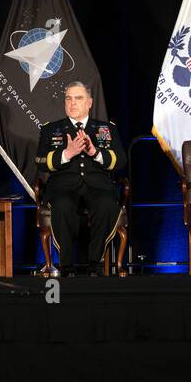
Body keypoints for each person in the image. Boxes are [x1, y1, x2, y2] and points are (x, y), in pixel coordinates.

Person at [35, 81, 125, 275]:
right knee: (63, 205)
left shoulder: (106, 128)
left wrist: (95, 152)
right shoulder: (51, 129)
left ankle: (95, 263)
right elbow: (40, 160)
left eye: (78, 98)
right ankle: (66, 266)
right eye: (68, 98)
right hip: (63, 187)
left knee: (105, 204)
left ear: (89, 103)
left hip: (98, 186)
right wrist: (66, 153)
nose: (72, 103)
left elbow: (121, 161)